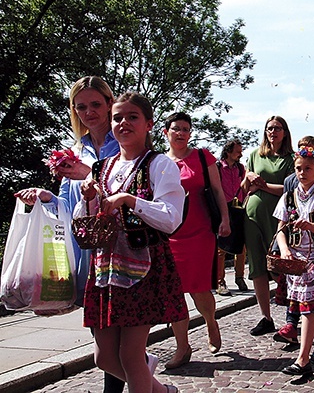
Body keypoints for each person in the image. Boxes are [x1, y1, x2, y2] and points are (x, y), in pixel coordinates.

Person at [14, 76, 132, 393]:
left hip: (120, 250)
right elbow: (70, 207)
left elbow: (133, 192)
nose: (89, 112)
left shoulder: (124, 142)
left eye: (96, 104)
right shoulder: (75, 150)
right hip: (85, 251)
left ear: (110, 104)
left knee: (118, 336)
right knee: (103, 340)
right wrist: (47, 197)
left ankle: (138, 385)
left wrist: (89, 173)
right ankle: (150, 384)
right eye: (81, 107)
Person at [75, 92, 186, 393]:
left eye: (132, 117)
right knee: (104, 357)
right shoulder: (102, 167)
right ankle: (163, 391)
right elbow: (86, 221)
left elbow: (171, 218)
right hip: (105, 268)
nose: (124, 123)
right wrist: (88, 199)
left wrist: (130, 200)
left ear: (148, 123)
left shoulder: (160, 164)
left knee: (130, 355)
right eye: (118, 117)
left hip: (143, 267)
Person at [163, 112, 229, 369]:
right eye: (176, 128)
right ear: (166, 132)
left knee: (199, 287)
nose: (180, 133)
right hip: (170, 234)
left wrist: (225, 219)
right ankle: (182, 346)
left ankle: (210, 322)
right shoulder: (158, 162)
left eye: (185, 129)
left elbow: (217, 190)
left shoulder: (202, 157)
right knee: (174, 292)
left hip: (200, 232)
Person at [273, 146, 314, 376]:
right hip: (295, 259)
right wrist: (283, 249)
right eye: (299, 169)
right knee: (304, 305)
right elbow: (280, 229)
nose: (302, 173)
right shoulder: (288, 198)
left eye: (307, 169)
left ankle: (303, 360)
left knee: (308, 306)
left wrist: (310, 226)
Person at [244, 116, 295, 336]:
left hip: (279, 217)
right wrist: (248, 176)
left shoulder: (291, 158)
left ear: (284, 132)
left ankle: (291, 316)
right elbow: (245, 186)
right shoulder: (255, 155)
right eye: (269, 128)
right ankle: (266, 316)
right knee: (257, 266)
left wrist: (263, 185)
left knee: (280, 265)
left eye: (276, 128)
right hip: (253, 215)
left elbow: (290, 188)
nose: (272, 132)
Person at [216, 139, 250, 295]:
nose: (240, 154)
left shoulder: (240, 168)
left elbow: (244, 189)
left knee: (241, 246)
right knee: (221, 248)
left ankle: (239, 277)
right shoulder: (217, 168)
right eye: (238, 151)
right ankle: (219, 281)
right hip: (222, 208)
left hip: (238, 207)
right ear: (229, 151)